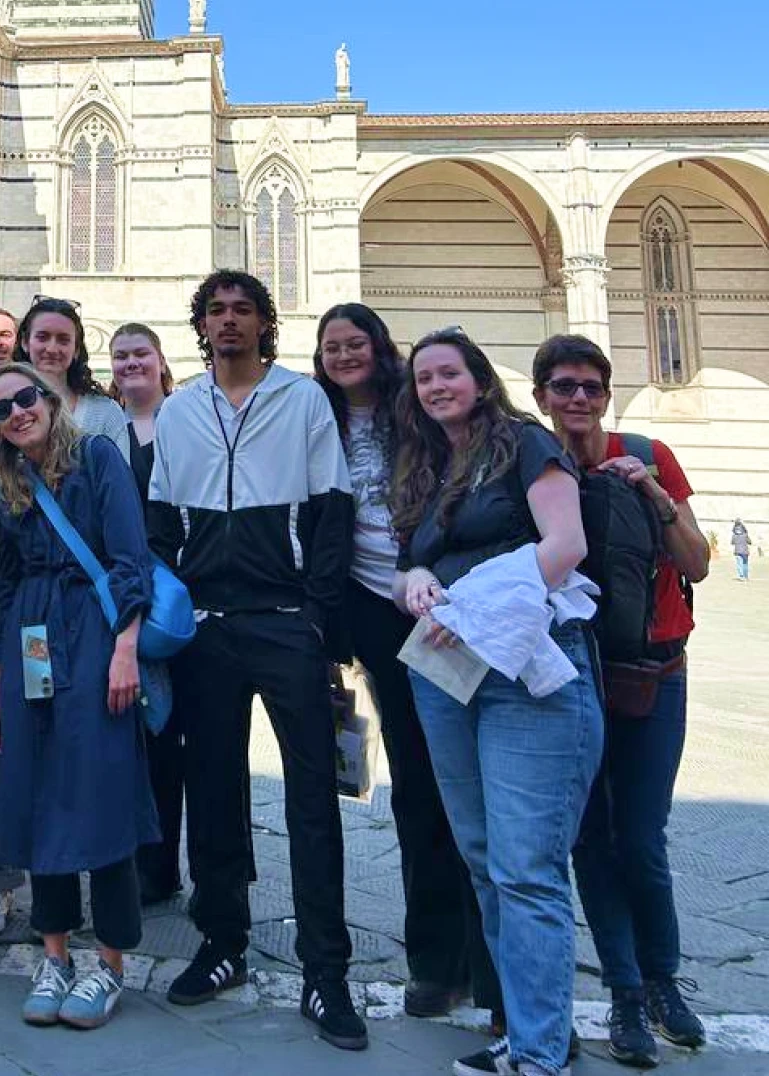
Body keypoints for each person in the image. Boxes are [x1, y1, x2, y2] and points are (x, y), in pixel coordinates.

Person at [149, 271, 366, 1050]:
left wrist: (318, 618)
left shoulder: (301, 399)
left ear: (264, 324)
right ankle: (221, 944)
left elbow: (331, 509)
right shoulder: (178, 411)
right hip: (208, 623)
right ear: (201, 326)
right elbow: (161, 519)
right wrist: (176, 598)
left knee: (311, 796)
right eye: (217, 311)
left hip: (284, 622)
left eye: (243, 310)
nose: (229, 321)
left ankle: (325, 971)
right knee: (212, 789)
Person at [392, 326, 599, 1076]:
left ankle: (541, 1052)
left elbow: (564, 544)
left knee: (524, 867)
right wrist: (409, 584)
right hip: (446, 675)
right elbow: (408, 565)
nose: (436, 386)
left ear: (480, 379)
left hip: (523, 674)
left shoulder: (524, 444)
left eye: (448, 372)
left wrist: (473, 606)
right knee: (482, 860)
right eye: (423, 379)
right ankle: (525, 1030)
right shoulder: (422, 465)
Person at [311, 303, 494, 1020]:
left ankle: (493, 956)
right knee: (416, 784)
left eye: (354, 343)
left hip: (441, 606)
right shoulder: (314, 414)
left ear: (378, 348)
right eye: (331, 347)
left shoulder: (411, 406)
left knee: (468, 779)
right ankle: (435, 960)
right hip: (368, 609)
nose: (344, 355)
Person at [534, 334, 710, 1066]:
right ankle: (625, 992)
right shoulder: (533, 468)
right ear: (542, 396)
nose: (578, 399)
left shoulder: (649, 450)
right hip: (571, 682)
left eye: (590, 387)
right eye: (563, 386)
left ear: (605, 395)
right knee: (590, 841)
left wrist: (651, 491)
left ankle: (664, 981)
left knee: (640, 836)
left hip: (652, 674)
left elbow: (696, 560)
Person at [0, 364, 157, 1031]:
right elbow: (2, 586)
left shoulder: (97, 455)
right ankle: (53, 955)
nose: (16, 412)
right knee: (35, 789)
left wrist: (124, 647)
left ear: (48, 400)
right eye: (0, 410)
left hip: (93, 630)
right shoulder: (10, 484)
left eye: (25, 398)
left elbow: (128, 555)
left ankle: (109, 963)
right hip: (31, 635)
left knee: (100, 788)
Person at [106, 322, 185, 905]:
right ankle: (131, 858)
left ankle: (162, 867)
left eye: (141, 354)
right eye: (121, 356)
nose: (132, 363)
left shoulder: (186, 421)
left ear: (161, 362)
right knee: (132, 726)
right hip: (124, 591)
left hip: (179, 593)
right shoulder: (106, 428)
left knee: (170, 732)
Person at [0, 297, 127, 501]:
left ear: (76, 349)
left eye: (63, 340)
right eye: (42, 337)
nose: (51, 348)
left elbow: (121, 493)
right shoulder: (0, 410)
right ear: (24, 342)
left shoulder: (105, 412)